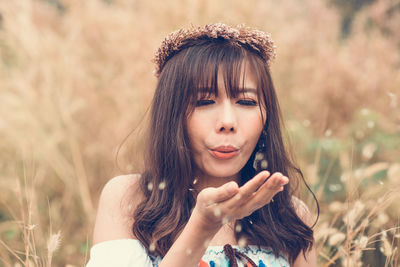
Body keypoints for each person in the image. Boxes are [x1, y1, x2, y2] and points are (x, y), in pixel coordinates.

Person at [86, 23, 318, 267]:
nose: (227, 122)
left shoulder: (290, 215)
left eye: (247, 102)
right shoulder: (129, 200)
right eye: (205, 101)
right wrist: (203, 227)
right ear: (171, 114)